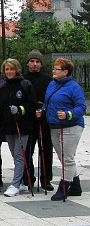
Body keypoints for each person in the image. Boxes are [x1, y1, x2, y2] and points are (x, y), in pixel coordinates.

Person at [39, 58, 85, 201]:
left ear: (65, 72)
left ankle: (64, 188)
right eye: (54, 68)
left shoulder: (74, 87)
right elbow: (48, 102)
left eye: (57, 69)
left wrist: (68, 114)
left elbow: (81, 107)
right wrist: (42, 110)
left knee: (67, 158)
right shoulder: (52, 84)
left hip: (71, 127)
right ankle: (76, 186)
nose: (53, 71)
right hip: (54, 126)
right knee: (63, 158)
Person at [0, 58, 37, 197]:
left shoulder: (25, 84)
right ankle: (22, 182)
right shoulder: (2, 87)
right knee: (14, 154)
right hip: (8, 126)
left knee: (19, 155)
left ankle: (15, 184)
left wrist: (20, 109)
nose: (9, 72)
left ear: (17, 69)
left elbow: (32, 104)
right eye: (7, 69)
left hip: (22, 126)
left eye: (12, 69)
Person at [24, 50, 54, 191]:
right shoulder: (23, 79)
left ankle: (46, 178)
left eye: (37, 62)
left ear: (41, 64)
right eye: (32, 61)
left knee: (46, 150)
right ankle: (29, 177)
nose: (34, 64)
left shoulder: (48, 80)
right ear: (28, 63)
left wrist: (43, 108)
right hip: (28, 119)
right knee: (27, 150)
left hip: (44, 119)